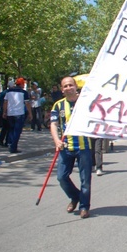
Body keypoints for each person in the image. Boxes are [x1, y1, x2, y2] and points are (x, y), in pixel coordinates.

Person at [50, 76, 92, 219]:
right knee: (62, 177)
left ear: (76, 86)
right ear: (62, 90)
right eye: (65, 86)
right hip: (65, 147)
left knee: (85, 179)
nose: (68, 88)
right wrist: (56, 140)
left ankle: (84, 207)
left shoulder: (86, 102)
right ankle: (76, 197)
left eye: (70, 85)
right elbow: (54, 124)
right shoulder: (58, 105)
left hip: (84, 146)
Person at [3, 77, 32, 154]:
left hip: (10, 113)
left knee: (11, 129)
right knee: (17, 131)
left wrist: (4, 112)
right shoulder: (24, 93)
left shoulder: (8, 92)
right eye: (23, 84)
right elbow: (27, 103)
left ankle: (10, 143)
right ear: (22, 84)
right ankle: (13, 147)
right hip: (19, 113)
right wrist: (30, 113)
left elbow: (5, 102)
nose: (24, 85)